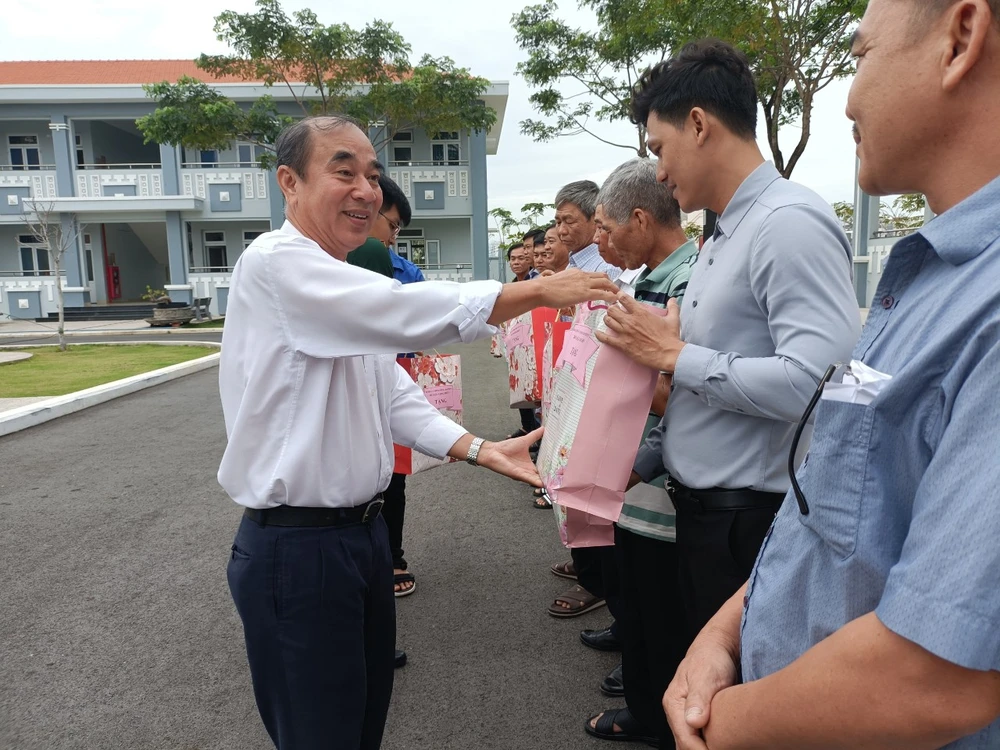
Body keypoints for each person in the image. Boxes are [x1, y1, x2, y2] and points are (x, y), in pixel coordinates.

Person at [656, 5, 1000, 749]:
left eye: (862, 54)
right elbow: (841, 508)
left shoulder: (795, 226)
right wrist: (725, 634)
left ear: (961, 37)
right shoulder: (928, 277)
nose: (847, 99)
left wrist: (720, 726)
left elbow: (938, 673)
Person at [219, 114, 619, 750]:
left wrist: (482, 449)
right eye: (343, 172)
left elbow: (392, 394)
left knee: (362, 721)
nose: (365, 190)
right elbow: (408, 312)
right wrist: (540, 290)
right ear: (289, 182)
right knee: (321, 733)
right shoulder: (276, 263)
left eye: (372, 175)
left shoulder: (340, 283)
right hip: (299, 547)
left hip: (359, 538)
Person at [596, 38, 861, 748]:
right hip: (708, 516)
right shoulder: (722, 236)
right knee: (703, 706)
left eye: (660, 147)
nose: (659, 170)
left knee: (737, 714)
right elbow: (712, 369)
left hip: (748, 522)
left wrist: (676, 356)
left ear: (700, 124)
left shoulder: (787, 223)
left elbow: (819, 385)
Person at [585, 158, 698, 746]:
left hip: (657, 488)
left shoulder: (686, 284)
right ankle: (646, 709)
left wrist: (632, 467)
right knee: (638, 606)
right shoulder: (651, 279)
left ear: (640, 219)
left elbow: (676, 395)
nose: (601, 241)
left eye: (606, 228)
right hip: (634, 483)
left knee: (662, 616)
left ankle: (657, 721)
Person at [555, 180, 622, 280]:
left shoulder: (606, 269)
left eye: (569, 221)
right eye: (558, 222)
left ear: (595, 219)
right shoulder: (574, 262)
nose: (561, 231)